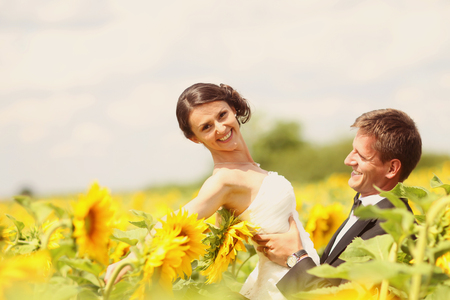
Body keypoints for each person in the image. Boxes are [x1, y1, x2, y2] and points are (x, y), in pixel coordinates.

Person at [104, 83, 320, 299]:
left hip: (299, 273)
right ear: (194, 138)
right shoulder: (224, 180)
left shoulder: (249, 169)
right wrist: (131, 259)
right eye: (206, 127)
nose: (220, 128)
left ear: (233, 110)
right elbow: (177, 220)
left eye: (222, 115)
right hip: (285, 286)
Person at [252, 108, 422, 297]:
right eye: (352, 150)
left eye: (361, 155)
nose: (348, 160)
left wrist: (295, 257)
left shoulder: (391, 230)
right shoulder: (367, 206)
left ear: (392, 168)